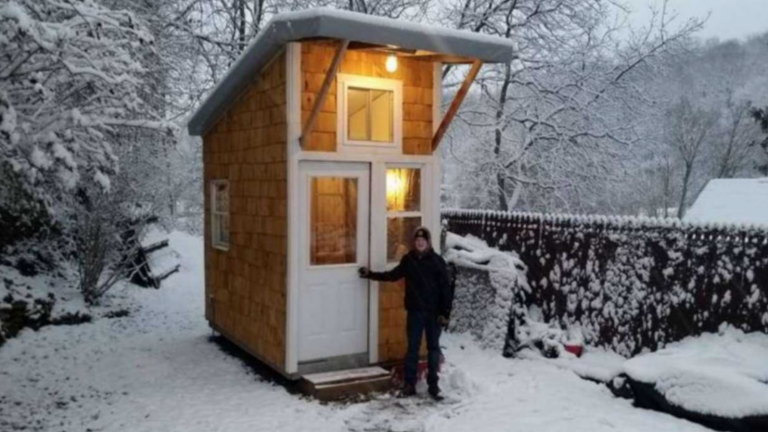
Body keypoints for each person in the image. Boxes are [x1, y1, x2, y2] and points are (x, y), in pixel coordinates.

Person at [359, 226, 452, 399]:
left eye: (423, 240)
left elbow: (446, 290)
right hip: (415, 313)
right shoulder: (409, 260)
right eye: (417, 241)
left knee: (433, 349)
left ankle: (434, 386)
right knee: (412, 349)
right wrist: (370, 274)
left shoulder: (438, 262)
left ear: (428, 242)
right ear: (414, 243)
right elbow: (393, 275)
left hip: (433, 315)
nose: (420, 243)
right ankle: (409, 384)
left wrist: (444, 313)